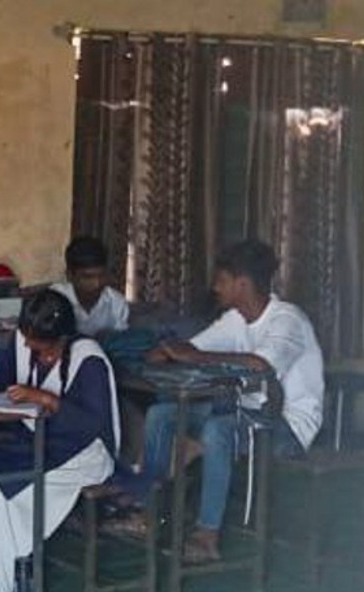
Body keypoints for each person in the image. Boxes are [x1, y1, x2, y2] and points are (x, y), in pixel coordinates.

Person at [109, 239, 323, 563]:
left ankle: (206, 537)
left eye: (222, 280)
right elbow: (193, 348)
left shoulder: (287, 320)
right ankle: (148, 513)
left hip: (287, 428)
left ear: (242, 284)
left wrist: (195, 356)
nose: (215, 287)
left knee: (217, 430)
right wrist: (166, 352)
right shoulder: (236, 319)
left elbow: (261, 365)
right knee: (161, 415)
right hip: (244, 414)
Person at [0, 289, 120, 592]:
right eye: (26, 337)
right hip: (40, 443)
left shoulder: (88, 358)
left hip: (85, 453)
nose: (28, 346)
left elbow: (93, 424)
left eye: (37, 342)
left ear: (61, 337)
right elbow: (5, 376)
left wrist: (47, 400)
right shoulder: (23, 340)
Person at [51, 236, 130, 337]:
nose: (97, 284)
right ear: (70, 276)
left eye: (102, 275)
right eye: (87, 277)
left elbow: (120, 342)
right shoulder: (53, 300)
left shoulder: (117, 304)